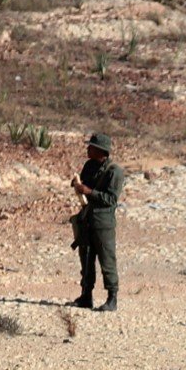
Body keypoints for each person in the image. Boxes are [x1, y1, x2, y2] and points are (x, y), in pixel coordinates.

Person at [69, 132, 125, 312]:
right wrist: (78, 186)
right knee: (86, 258)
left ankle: (112, 297)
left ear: (101, 151)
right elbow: (84, 186)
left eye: (91, 147)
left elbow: (111, 199)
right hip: (87, 219)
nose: (88, 149)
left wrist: (89, 191)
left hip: (103, 221)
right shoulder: (89, 165)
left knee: (107, 259)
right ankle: (86, 295)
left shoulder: (114, 172)